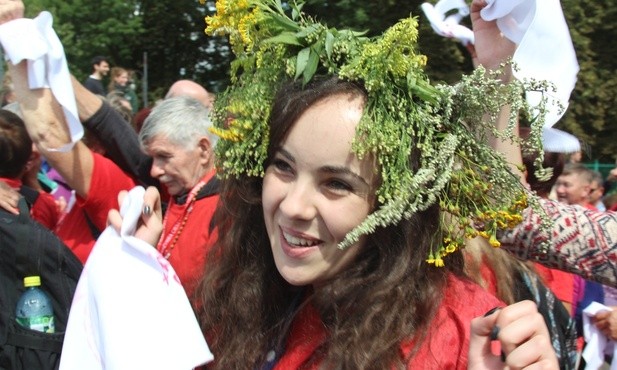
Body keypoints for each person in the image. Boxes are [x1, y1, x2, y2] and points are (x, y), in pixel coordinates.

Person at [126, 0, 556, 367]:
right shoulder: (245, 293)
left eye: (336, 184)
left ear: (397, 204)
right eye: (284, 167)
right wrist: (139, 269)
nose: (294, 206)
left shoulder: (462, 337)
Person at [138, 96, 220, 297]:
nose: (154, 171)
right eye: (153, 158)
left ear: (203, 150)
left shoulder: (228, 208)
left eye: (164, 157)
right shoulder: (181, 196)